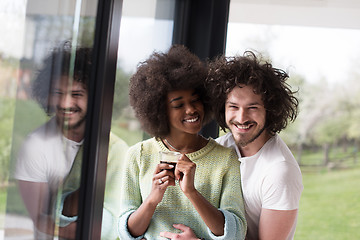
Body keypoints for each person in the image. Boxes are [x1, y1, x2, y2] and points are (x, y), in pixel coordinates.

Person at [161, 51, 303, 240]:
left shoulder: (279, 171)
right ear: (222, 108)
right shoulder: (220, 147)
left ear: (270, 111)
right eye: (234, 107)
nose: (241, 118)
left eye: (252, 108)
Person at [117, 45, 247, 240]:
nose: (191, 110)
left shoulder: (225, 159)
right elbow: (126, 231)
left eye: (195, 100)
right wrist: (153, 198)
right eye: (178, 105)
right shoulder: (138, 155)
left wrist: (191, 192)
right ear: (158, 110)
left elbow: (235, 233)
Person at [14, 44, 127, 239]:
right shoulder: (36, 146)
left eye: (76, 94)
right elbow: (40, 221)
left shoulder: (116, 149)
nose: (65, 104)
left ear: (95, 98)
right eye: (58, 93)